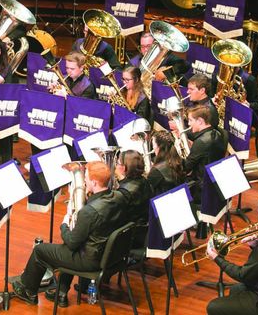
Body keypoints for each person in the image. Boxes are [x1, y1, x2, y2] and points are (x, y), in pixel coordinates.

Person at [11, 161, 127, 307]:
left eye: (86, 177)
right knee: (66, 249)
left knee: (40, 250)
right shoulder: (119, 197)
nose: (84, 180)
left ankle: (28, 291)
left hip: (91, 260)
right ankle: (60, 293)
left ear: (94, 182)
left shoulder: (89, 212)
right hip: (110, 255)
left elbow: (72, 243)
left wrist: (64, 225)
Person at [206, 195, 258, 315]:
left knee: (213, 307)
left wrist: (216, 257)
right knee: (235, 290)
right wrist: (255, 244)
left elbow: (242, 275)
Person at [180, 105, 226, 203]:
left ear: (200, 121)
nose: (188, 124)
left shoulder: (201, 142)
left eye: (190, 120)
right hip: (213, 181)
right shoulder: (217, 134)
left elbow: (186, 167)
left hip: (200, 187)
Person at [115, 150, 152, 247]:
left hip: (131, 236)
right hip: (144, 231)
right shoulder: (144, 180)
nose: (116, 166)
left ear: (123, 168)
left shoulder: (124, 192)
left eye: (118, 163)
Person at [148, 130, 184, 196]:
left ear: (159, 147)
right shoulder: (180, 160)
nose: (153, 148)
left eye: (153, 145)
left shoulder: (156, 171)